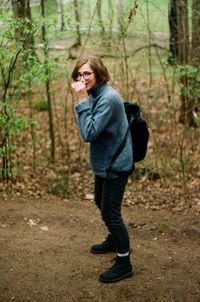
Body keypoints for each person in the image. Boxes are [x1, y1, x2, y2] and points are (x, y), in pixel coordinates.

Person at [71, 55, 133, 283]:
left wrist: (80, 101)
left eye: (87, 73)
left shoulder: (107, 98)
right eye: (79, 74)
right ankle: (114, 239)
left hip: (116, 164)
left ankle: (124, 261)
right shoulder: (95, 94)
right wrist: (84, 99)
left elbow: (88, 133)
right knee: (100, 202)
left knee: (111, 212)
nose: (82, 78)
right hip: (105, 163)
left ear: (98, 73)